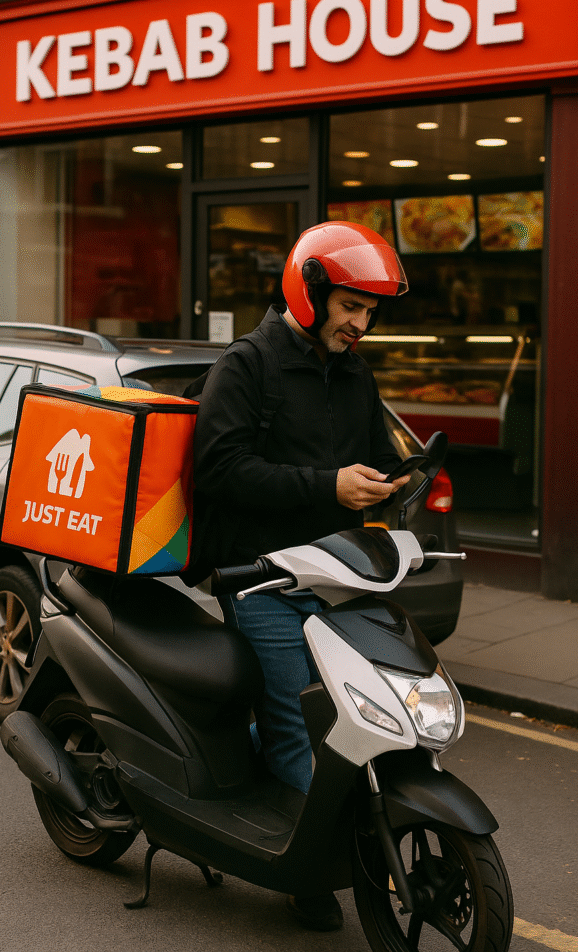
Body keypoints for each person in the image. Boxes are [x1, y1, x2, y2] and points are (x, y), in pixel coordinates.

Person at [192, 221, 410, 931]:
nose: (360, 324)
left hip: (341, 577)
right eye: (350, 307)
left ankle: (236, 765)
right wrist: (328, 489)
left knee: (370, 718)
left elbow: (372, 458)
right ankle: (305, 872)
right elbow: (219, 472)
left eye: (369, 312)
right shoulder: (245, 366)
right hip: (258, 580)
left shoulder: (353, 371)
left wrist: (394, 484)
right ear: (309, 291)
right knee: (300, 722)